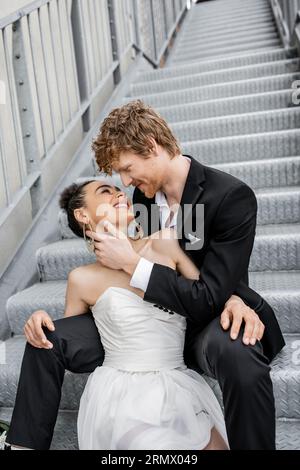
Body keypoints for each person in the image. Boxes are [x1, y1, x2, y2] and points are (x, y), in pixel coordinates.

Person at [6, 100, 284, 450]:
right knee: (46, 337)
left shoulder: (228, 196)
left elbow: (205, 289)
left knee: (239, 351)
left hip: (204, 317)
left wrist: (232, 297)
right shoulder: (143, 196)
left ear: (152, 146)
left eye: (126, 168)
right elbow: (133, 261)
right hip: (148, 326)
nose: (124, 182)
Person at [60, 180, 230, 449]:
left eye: (118, 190)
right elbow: (72, 347)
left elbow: (208, 299)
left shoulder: (165, 243)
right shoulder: (81, 279)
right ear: (83, 215)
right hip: (123, 394)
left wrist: (236, 303)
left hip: (178, 383)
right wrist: (42, 324)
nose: (119, 193)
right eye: (105, 191)